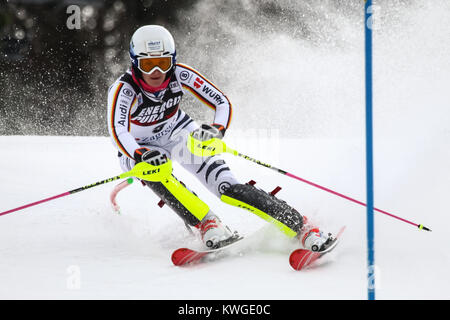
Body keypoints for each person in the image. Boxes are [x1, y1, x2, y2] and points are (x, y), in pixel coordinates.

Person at [107, 25, 334, 251]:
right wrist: (140, 153)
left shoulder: (180, 74)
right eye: (148, 64)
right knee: (153, 171)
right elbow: (118, 131)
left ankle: (302, 227)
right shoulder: (124, 89)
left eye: (163, 62)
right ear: (135, 62)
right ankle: (207, 223)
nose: (156, 71)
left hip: (178, 133)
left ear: (173, 61)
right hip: (138, 146)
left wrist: (217, 129)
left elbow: (221, 102)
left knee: (227, 187)